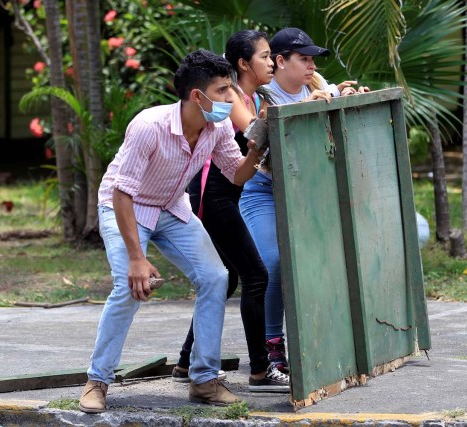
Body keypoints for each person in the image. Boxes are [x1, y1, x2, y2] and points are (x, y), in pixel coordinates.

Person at [78, 49, 266, 413]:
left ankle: (204, 381)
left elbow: (235, 174)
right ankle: (97, 381)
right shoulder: (150, 126)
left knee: (215, 277)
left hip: (170, 205)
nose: (232, 98)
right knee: (128, 287)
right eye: (224, 90)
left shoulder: (218, 126)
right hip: (126, 207)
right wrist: (137, 258)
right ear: (198, 96)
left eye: (231, 89)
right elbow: (121, 192)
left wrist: (257, 148)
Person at [238, 28, 369, 373]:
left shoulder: (318, 83)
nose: (312, 66)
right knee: (273, 261)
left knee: (325, 258)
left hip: (307, 189)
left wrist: (347, 98)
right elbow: (261, 146)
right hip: (262, 190)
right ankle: (271, 345)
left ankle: (323, 341)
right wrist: (299, 112)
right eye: (304, 59)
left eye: (313, 59)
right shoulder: (262, 96)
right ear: (280, 61)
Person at [172, 30, 290, 393]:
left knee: (227, 280)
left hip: (229, 192)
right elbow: (253, 132)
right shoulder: (234, 98)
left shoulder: (255, 96)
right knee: (255, 276)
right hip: (215, 195)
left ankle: (185, 361)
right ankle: (260, 370)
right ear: (244, 63)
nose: (272, 63)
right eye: (265, 56)